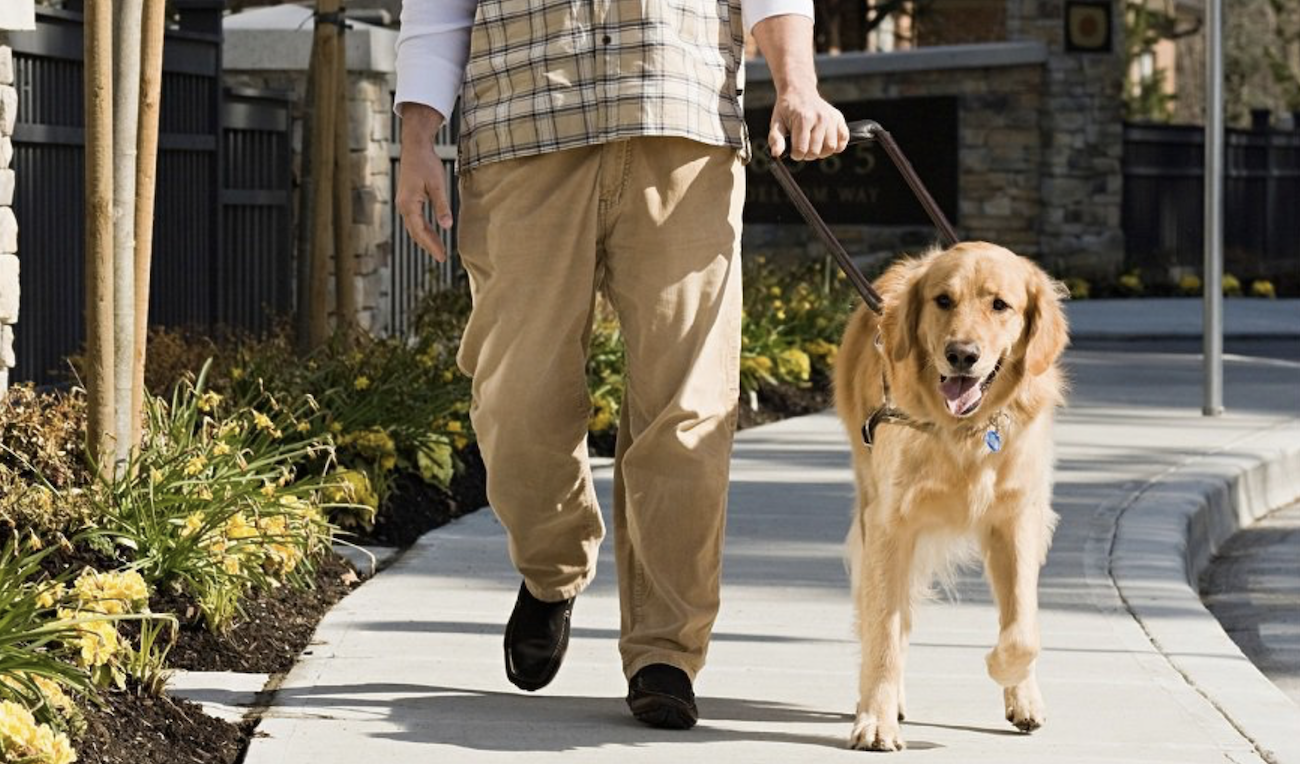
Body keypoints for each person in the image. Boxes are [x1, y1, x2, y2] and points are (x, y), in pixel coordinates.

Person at [394, 0, 847, 730]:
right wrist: (418, 138)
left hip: (681, 120)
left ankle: (665, 650)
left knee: (688, 406)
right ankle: (550, 570)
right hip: (524, 125)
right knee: (517, 396)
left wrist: (797, 81)